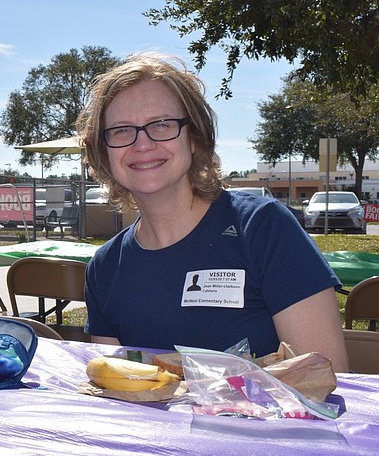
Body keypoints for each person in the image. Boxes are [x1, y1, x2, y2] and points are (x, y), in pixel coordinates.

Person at [76, 53, 349, 372]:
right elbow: (119, 390)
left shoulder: (262, 228)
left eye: (162, 124)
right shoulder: (105, 269)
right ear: (103, 151)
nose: (142, 143)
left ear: (193, 137)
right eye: (122, 130)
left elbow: (327, 380)